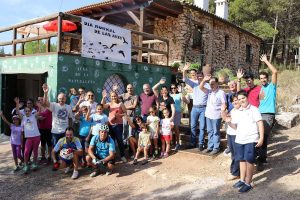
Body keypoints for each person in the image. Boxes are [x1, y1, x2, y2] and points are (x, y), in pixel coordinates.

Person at [226, 90, 264, 193]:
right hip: (239, 139)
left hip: (251, 139)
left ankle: (248, 182)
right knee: (241, 160)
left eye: (243, 98)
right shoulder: (237, 112)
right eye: (239, 99)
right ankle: (242, 180)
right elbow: (235, 126)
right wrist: (229, 122)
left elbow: (260, 123)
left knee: (249, 160)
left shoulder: (254, 109)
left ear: (247, 97)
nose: (241, 100)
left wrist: (261, 138)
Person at [257, 54, 278, 171]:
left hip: (268, 115)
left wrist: (266, 61)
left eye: (264, 78)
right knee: (256, 136)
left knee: (263, 136)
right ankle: (257, 156)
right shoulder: (259, 89)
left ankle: (262, 159)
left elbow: (275, 72)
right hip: (258, 115)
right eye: (261, 78)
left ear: (267, 78)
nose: (263, 80)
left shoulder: (272, 87)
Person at [182, 65, 210, 150]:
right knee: (193, 126)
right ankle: (192, 142)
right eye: (198, 76)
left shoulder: (208, 85)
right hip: (194, 108)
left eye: (200, 76)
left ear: (203, 76)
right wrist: (184, 70)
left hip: (203, 108)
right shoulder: (194, 84)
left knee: (202, 127)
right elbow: (185, 79)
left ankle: (201, 143)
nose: (199, 77)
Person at [200, 75, 226, 155]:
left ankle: (216, 148)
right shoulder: (209, 91)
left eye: (213, 83)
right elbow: (201, 87)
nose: (211, 85)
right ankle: (210, 147)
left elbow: (224, 104)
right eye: (210, 83)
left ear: (217, 83)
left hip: (216, 115)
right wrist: (204, 80)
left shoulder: (221, 92)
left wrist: (222, 114)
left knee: (215, 132)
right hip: (208, 115)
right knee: (209, 131)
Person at [16, 98, 41, 174]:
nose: (27, 112)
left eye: (28, 111)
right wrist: (17, 103)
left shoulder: (33, 116)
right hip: (29, 138)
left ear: (31, 111)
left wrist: (39, 105)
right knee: (26, 152)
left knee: (35, 151)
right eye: (25, 111)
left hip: (36, 137)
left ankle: (34, 163)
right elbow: (17, 111)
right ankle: (26, 165)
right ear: (24, 112)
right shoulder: (23, 118)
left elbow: (40, 111)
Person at [102, 90, 127, 162]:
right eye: (112, 96)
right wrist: (103, 97)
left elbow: (125, 113)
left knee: (119, 140)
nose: (114, 97)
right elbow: (102, 106)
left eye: (115, 96)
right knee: (111, 141)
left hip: (118, 124)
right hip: (110, 125)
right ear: (110, 97)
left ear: (117, 96)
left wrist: (118, 115)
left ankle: (122, 156)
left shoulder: (121, 104)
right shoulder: (109, 104)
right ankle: (112, 157)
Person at [221, 94, 240, 180]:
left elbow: (235, 126)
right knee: (233, 154)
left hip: (237, 135)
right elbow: (226, 118)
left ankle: (235, 173)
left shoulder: (241, 111)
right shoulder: (233, 110)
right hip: (230, 134)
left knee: (236, 154)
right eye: (233, 101)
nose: (235, 102)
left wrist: (227, 121)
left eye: (236, 100)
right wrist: (223, 111)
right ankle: (235, 171)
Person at [169, 83, 189, 151]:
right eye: (172, 88)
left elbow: (186, 101)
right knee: (170, 129)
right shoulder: (169, 95)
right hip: (170, 113)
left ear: (177, 88)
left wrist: (182, 93)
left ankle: (177, 143)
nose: (173, 89)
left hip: (177, 112)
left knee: (176, 128)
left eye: (174, 88)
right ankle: (171, 143)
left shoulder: (179, 94)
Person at [36, 97, 53, 164]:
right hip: (41, 128)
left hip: (49, 128)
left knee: (49, 143)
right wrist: (38, 117)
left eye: (41, 100)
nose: (40, 101)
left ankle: (49, 156)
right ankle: (43, 157)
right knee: (42, 143)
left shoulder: (48, 108)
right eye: (39, 100)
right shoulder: (37, 109)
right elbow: (34, 116)